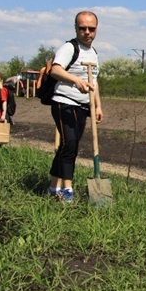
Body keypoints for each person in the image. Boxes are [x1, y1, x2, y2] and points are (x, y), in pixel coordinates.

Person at [48, 11, 103, 203]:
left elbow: (94, 82)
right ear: (76, 28)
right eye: (83, 28)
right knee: (70, 145)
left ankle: (53, 187)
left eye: (91, 28)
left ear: (96, 29)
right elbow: (55, 70)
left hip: (81, 106)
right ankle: (67, 190)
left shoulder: (94, 53)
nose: (87, 32)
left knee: (68, 146)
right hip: (63, 102)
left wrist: (97, 106)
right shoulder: (69, 48)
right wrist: (75, 81)